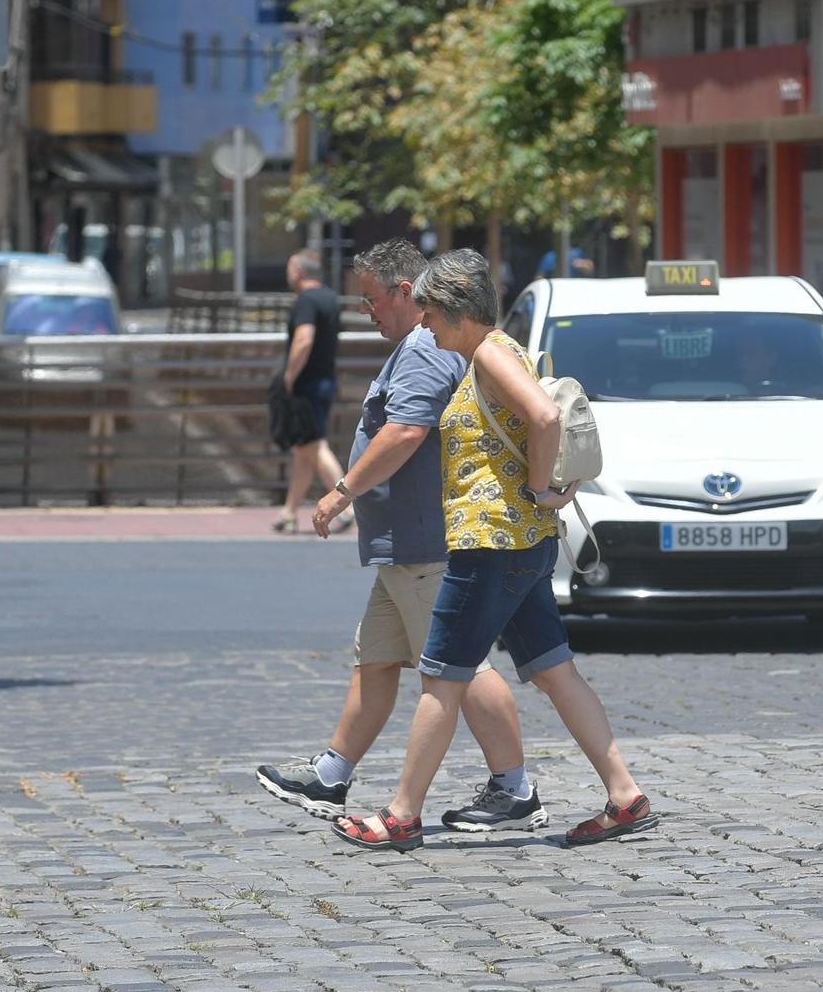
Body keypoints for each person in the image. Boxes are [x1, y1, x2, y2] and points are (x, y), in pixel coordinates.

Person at [332, 248, 655, 852]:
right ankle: (623, 794)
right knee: (556, 671)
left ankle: (402, 814)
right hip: (523, 542)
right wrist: (536, 498)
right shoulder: (499, 351)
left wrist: (537, 487)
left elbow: (540, 415)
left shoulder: (487, 354)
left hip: (492, 545)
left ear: (456, 311)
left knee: (441, 680)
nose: (423, 324)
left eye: (429, 313)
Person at [255, 240, 547, 832]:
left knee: (461, 665)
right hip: (403, 547)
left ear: (404, 292)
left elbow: (406, 431)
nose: (366, 311)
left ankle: (513, 787)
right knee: (378, 657)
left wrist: (343, 492)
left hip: (424, 543)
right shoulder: (421, 344)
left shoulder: (424, 349)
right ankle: (333, 773)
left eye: (370, 299)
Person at [273, 248, 346, 533]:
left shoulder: (305, 301)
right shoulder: (330, 299)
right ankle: (289, 512)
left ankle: (346, 504)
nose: (288, 275)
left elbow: (304, 339)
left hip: (307, 384)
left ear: (300, 272)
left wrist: (289, 377)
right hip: (326, 379)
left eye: (290, 269)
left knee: (313, 445)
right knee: (302, 448)